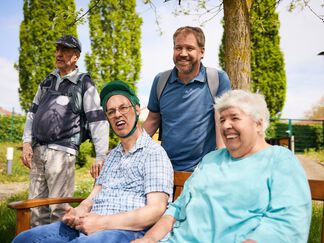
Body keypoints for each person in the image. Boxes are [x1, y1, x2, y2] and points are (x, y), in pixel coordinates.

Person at [134, 90, 312, 243]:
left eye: (234, 118)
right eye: (222, 120)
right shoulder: (211, 159)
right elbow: (177, 208)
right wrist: (149, 238)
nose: (226, 125)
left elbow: (287, 223)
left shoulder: (280, 160)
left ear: (258, 124)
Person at [13, 80, 174, 243]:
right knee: (25, 238)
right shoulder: (112, 156)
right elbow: (93, 197)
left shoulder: (154, 154)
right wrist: (79, 210)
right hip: (87, 225)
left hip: (124, 231)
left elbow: (156, 209)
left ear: (137, 109)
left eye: (123, 107)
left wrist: (101, 223)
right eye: (111, 112)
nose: (117, 114)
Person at [21, 35, 109, 227]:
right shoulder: (46, 81)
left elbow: (97, 119)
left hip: (62, 152)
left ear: (76, 56)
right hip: (37, 150)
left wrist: (101, 156)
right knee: (35, 209)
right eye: (58, 49)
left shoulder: (84, 82)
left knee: (59, 209)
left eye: (65, 50)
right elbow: (32, 114)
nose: (59, 54)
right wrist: (27, 142)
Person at [143, 26, 231, 172]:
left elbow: (221, 121)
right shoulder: (160, 81)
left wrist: (221, 163)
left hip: (203, 170)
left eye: (189, 48)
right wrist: (128, 149)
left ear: (201, 52)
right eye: (178, 48)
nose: (183, 53)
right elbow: (152, 121)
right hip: (165, 170)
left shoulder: (217, 79)